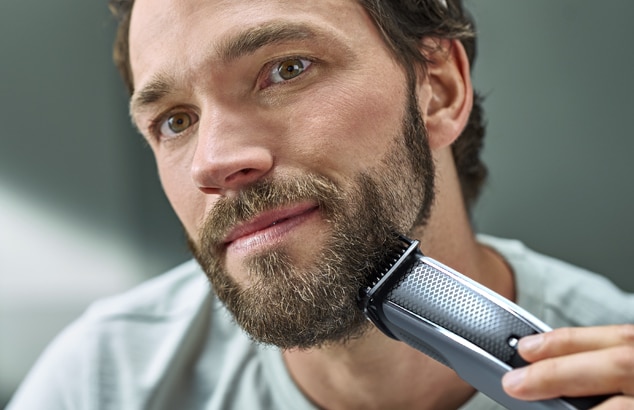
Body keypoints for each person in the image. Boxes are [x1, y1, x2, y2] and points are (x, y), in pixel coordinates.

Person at [8, 0, 634, 409]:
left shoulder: (614, 370)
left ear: (439, 90)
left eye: (286, 69)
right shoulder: (100, 382)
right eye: (175, 121)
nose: (213, 163)